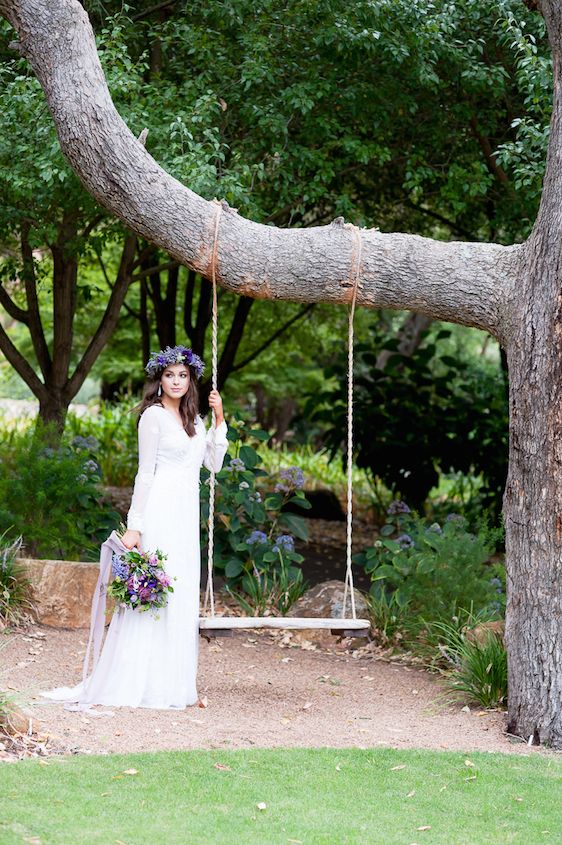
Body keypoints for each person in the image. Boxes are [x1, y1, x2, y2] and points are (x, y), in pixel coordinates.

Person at [39, 345, 228, 712]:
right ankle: (138, 682)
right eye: (170, 375)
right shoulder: (152, 418)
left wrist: (219, 420)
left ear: (191, 381)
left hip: (185, 517)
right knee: (155, 594)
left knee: (180, 593)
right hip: (159, 511)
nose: (176, 381)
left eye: (182, 376)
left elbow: (213, 463)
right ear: (159, 379)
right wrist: (135, 525)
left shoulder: (195, 422)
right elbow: (145, 474)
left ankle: (172, 685)